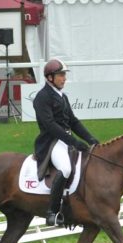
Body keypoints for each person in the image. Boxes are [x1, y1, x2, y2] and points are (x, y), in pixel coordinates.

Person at [33, 58, 99, 227]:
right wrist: (74, 142)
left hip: (65, 140)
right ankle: (52, 212)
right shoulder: (42, 97)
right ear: (49, 77)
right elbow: (50, 125)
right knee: (66, 168)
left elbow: (74, 122)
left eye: (64, 75)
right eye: (60, 75)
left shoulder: (63, 97)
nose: (64, 78)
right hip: (51, 142)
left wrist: (90, 139)